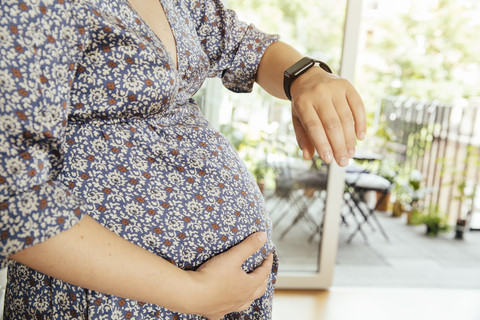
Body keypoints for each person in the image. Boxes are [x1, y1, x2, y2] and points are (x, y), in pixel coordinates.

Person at [0, 0, 365, 319]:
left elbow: (241, 44)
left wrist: (305, 76)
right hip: (110, 300)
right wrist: (194, 293)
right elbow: (12, 204)